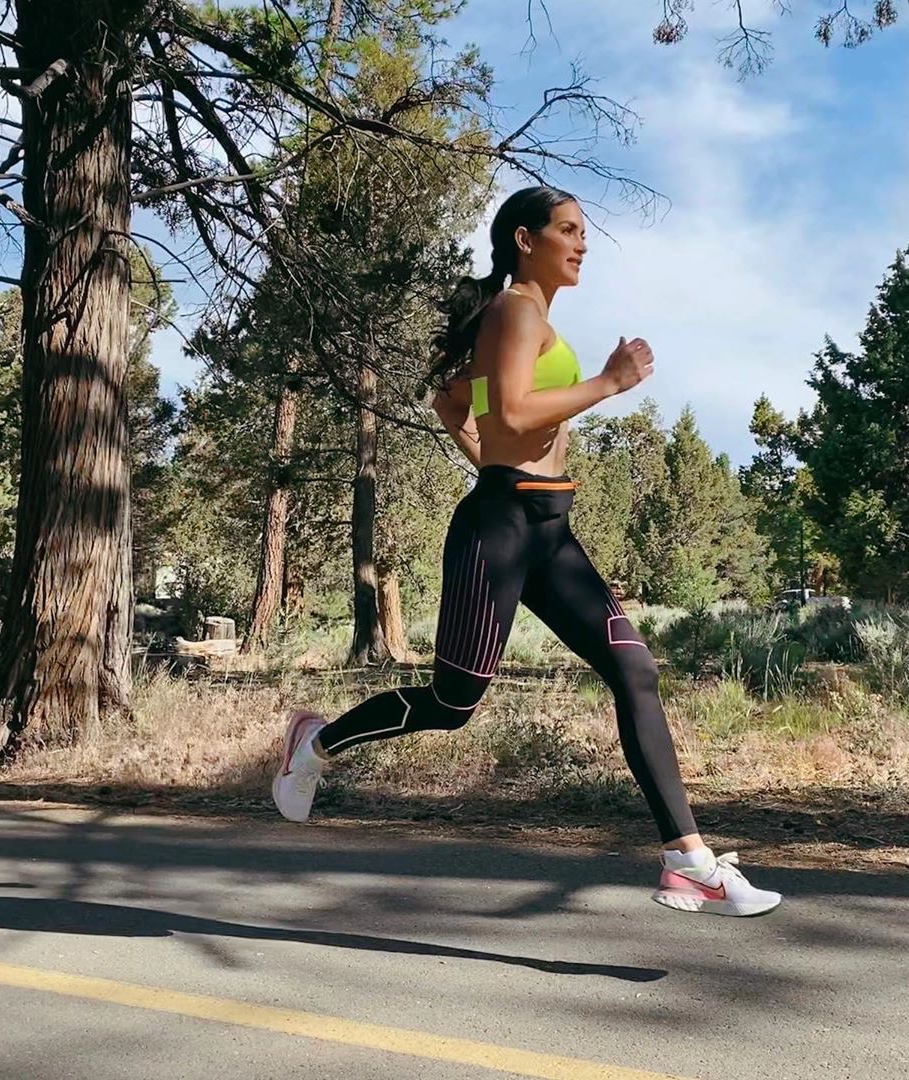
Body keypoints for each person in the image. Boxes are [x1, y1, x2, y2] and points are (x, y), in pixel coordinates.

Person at [272, 186, 781, 918]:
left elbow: (456, 403)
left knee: (634, 668)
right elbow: (507, 412)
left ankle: (688, 861)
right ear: (524, 239)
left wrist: (494, 453)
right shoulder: (514, 311)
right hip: (500, 529)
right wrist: (605, 384)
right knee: (453, 704)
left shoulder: (528, 321)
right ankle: (317, 743)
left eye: (583, 233)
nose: (581, 244)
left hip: (549, 530)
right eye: (567, 230)